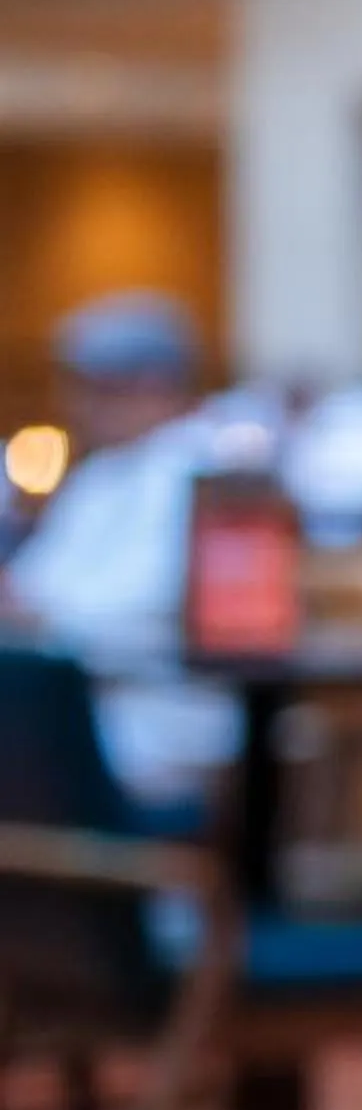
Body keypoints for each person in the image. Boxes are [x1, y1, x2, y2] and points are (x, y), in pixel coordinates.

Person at [0, 292, 240, 813]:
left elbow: (146, 606)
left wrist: (37, 613)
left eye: (96, 389)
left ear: (153, 386)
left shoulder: (208, 466)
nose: (77, 406)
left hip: (155, 712)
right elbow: (35, 586)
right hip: (83, 705)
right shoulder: (103, 472)